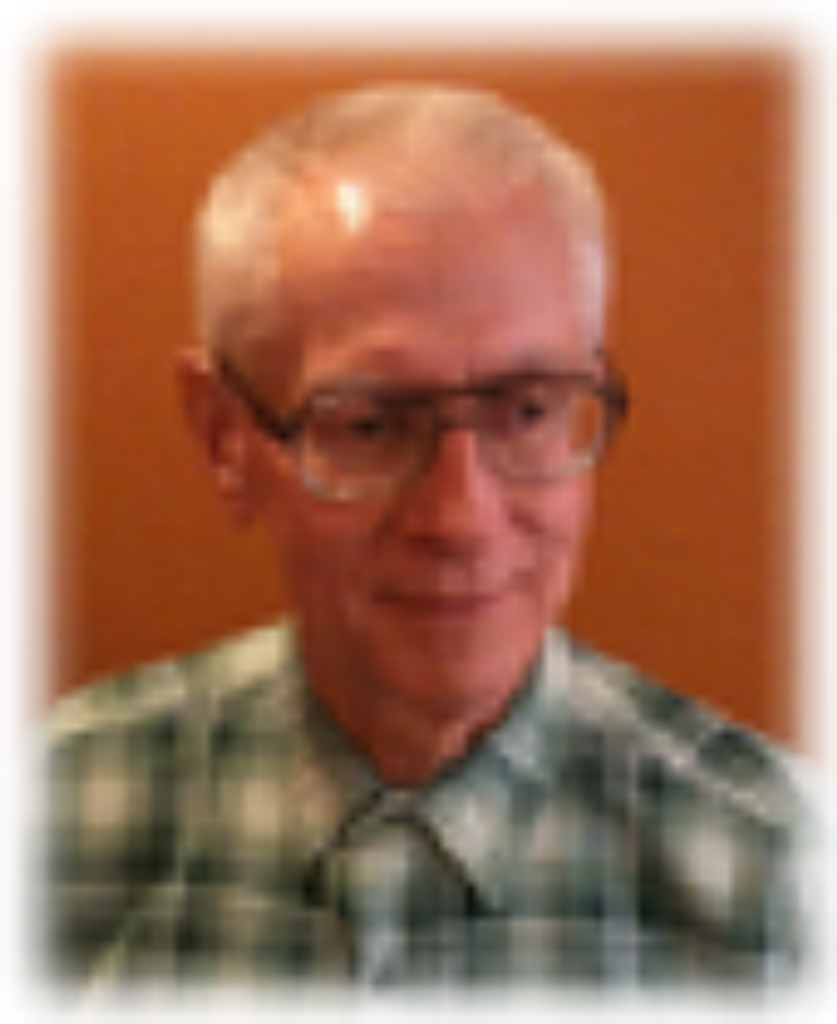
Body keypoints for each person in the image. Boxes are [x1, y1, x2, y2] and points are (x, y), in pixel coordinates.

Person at [11, 83, 832, 1021]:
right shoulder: (61, 816)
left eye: (528, 409)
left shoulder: (787, 881)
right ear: (223, 436)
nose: (461, 518)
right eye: (367, 423)